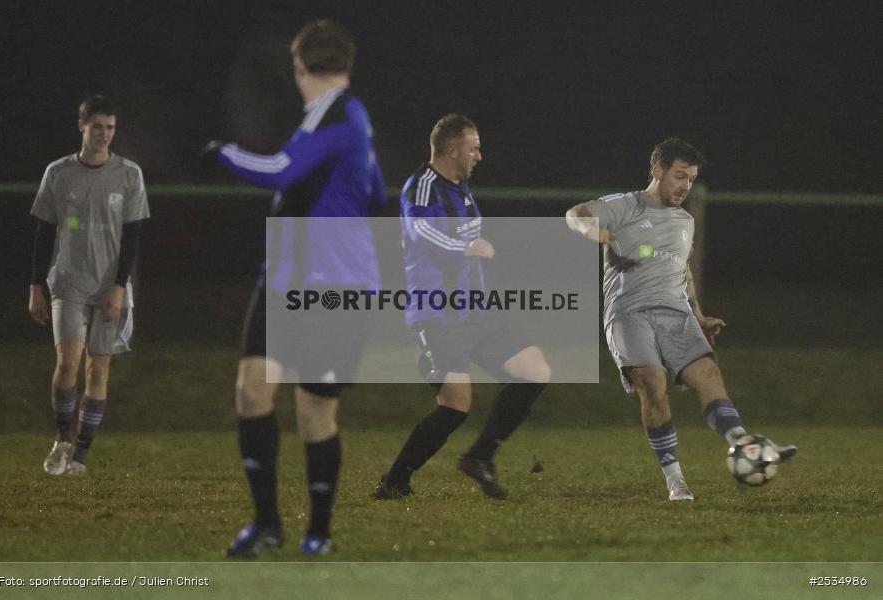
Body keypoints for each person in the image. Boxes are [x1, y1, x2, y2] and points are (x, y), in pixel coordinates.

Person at [200, 20, 387, 557]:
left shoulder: (339, 112)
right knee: (254, 389)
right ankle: (268, 527)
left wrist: (221, 153)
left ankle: (318, 534)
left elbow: (281, 170)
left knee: (312, 408)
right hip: (289, 278)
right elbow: (373, 191)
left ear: (298, 65)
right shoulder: (341, 117)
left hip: (334, 284)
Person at [565, 137, 796, 501]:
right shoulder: (625, 205)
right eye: (679, 176)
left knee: (708, 376)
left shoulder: (685, 222)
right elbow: (574, 213)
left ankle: (747, 447)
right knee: (654, 385)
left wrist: (699, 316)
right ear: (656, 171)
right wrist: (589, 230)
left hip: (676, 313)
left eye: (690, 179)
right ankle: (676, 481)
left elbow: (682, 270)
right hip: (628, 314)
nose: (685, 186)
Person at [373, 114, 551, 501]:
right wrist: (464, 247)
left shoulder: (462, 188)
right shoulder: (422, 187)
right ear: (451, 149)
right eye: (473, 147)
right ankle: (394, 480)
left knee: (534, 371)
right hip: (437, 312)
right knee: (455, 406)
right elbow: (419, 232)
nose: (480, 155)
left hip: (476, 312)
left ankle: (480, 457)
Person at [30, 94, 149, 477]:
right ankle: (62, 439)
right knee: (67, 364)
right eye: (97, 126)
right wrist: (35, 284)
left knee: (98, 370)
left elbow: (132, 236)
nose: (104, 134)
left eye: (110, 127)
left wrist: (118, 286)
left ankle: (81, 455)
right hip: (68, 282)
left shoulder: (129, 174)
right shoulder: (58, 173)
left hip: (109, 286)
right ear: (82, 126)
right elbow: (44, 231)